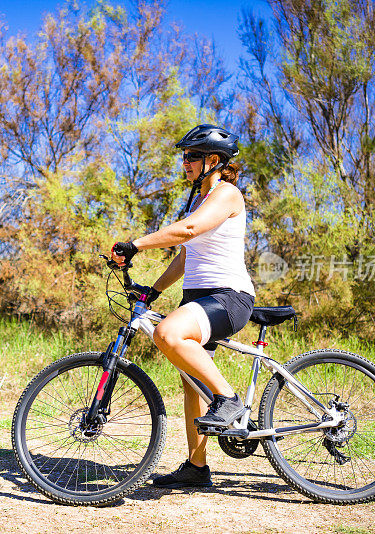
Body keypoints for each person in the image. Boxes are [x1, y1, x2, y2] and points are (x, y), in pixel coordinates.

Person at [111, 124, 255, 489]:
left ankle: (229, 399)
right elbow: (186, 255)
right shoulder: (198, 200)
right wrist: (154, 290)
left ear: (214, 160)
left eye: (192, 156)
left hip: (228, 296)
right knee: (190, 382)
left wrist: (135, 244)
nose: (185, 162)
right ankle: (196, 467)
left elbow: (188, 230)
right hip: (198, 297)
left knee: (168, 333)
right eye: (184, 156)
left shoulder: (227, 194)